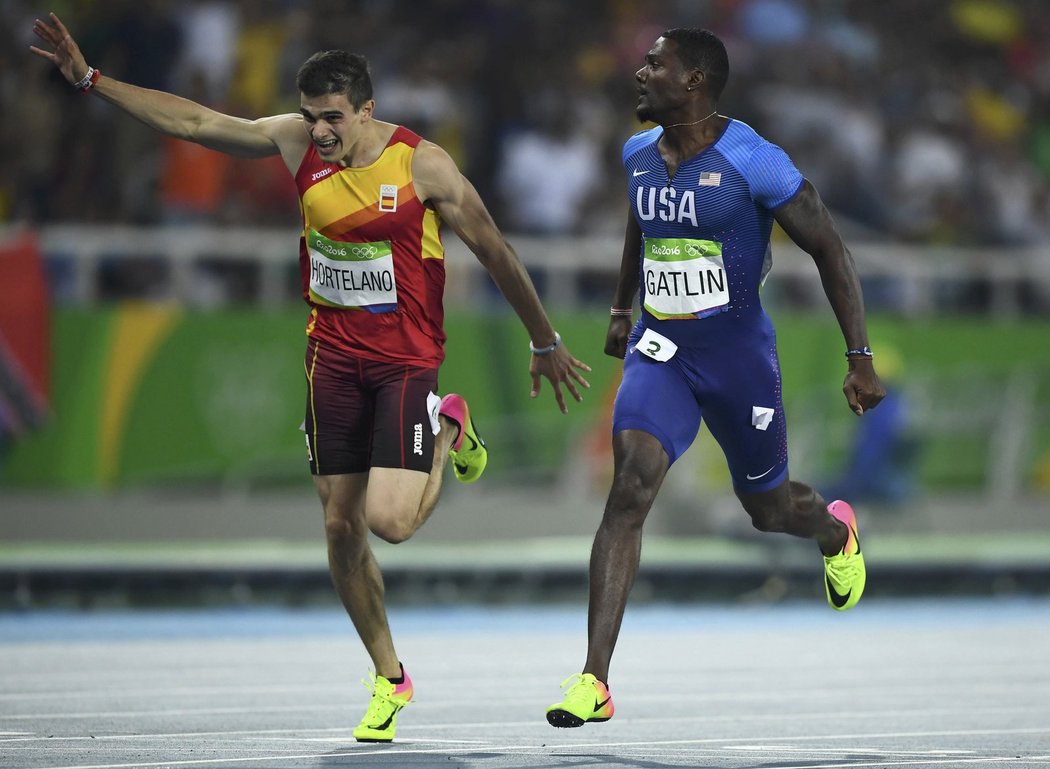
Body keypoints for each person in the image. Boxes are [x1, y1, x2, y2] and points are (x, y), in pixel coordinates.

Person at [31, 12, 591, 744]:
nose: (318, 131)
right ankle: (390, 678)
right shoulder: (299, 144)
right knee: (338, 525)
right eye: (309, 116)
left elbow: (495, 249)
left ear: (367, 107)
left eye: (332, 117)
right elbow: (196, 121)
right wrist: (92, 81)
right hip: (330, 357)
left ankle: (451, 420)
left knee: (390, 521)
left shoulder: (425, 167)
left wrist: (545, 338)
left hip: (404, 360)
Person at [545, 28, 885, 728]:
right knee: (630, 486)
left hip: (737, 360)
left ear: (695, 80)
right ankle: (594, 679)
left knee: (767, 510)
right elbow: (642, 226)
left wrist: (859, 356)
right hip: (660, 349)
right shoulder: (637, 152)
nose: (638, 73)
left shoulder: (753, 161)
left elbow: (829, 246)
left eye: (654, 65)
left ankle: (832, 531)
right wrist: (621, 305)